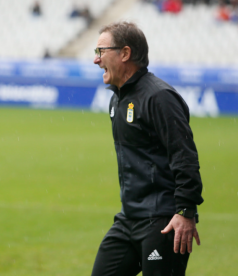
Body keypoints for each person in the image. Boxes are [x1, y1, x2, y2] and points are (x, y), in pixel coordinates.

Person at [91, 22, 203, 276]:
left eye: (100, 51)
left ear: (125, 53)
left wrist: (186, 211)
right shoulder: (117, 99)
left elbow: (184, 156)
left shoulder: (159, 97)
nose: (95, 60)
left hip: (163, 221)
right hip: (128, 219)